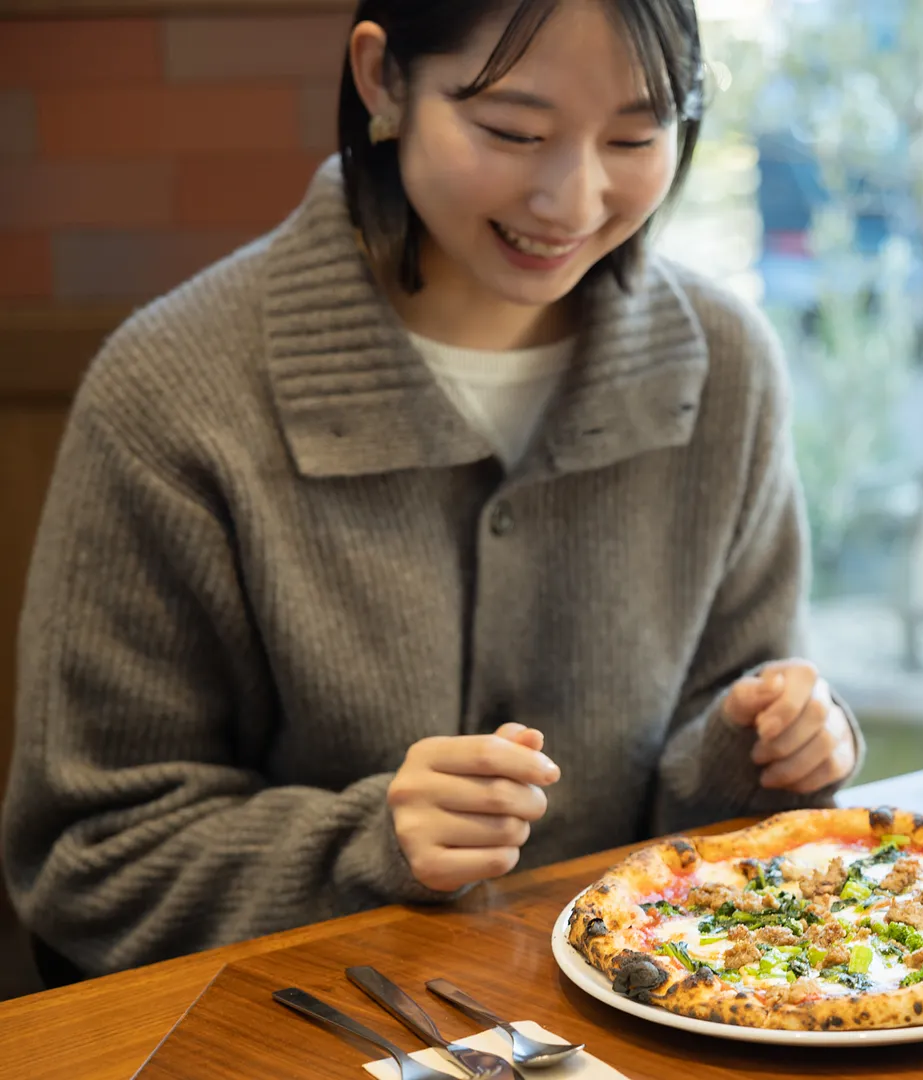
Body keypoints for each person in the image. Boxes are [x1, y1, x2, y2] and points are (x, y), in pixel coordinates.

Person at [1, 0, 862, 983]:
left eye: (634, 134)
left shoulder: (726, 364)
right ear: (382, 81)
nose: (572, 199)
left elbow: (732, 772)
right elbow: (88, 861)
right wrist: (369, 844)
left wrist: (769, 744)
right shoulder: (173, 392)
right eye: (512, 131)